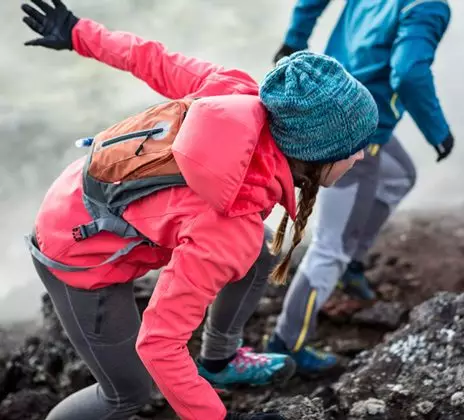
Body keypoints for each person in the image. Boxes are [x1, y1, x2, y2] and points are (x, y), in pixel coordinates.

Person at [20, 0, 379, 419]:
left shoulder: (234, 93)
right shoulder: (227, 226)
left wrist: (79, 32)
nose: (362, 157)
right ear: (315, 153)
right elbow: (159, 343)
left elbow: (151, 60)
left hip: (85, 194)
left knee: (259, 252)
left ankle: (219, 361)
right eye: (352, 149)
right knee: (127, 393)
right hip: (77, 254)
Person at [266, 0, 454, 375]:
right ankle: (288, 343)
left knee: (400, 175)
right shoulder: (428, 6)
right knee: (329, 247)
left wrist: (294, 40)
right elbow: (410, 73)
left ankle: (353, 262)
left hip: (337, 102)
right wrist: (437, 130)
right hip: (357, 135)